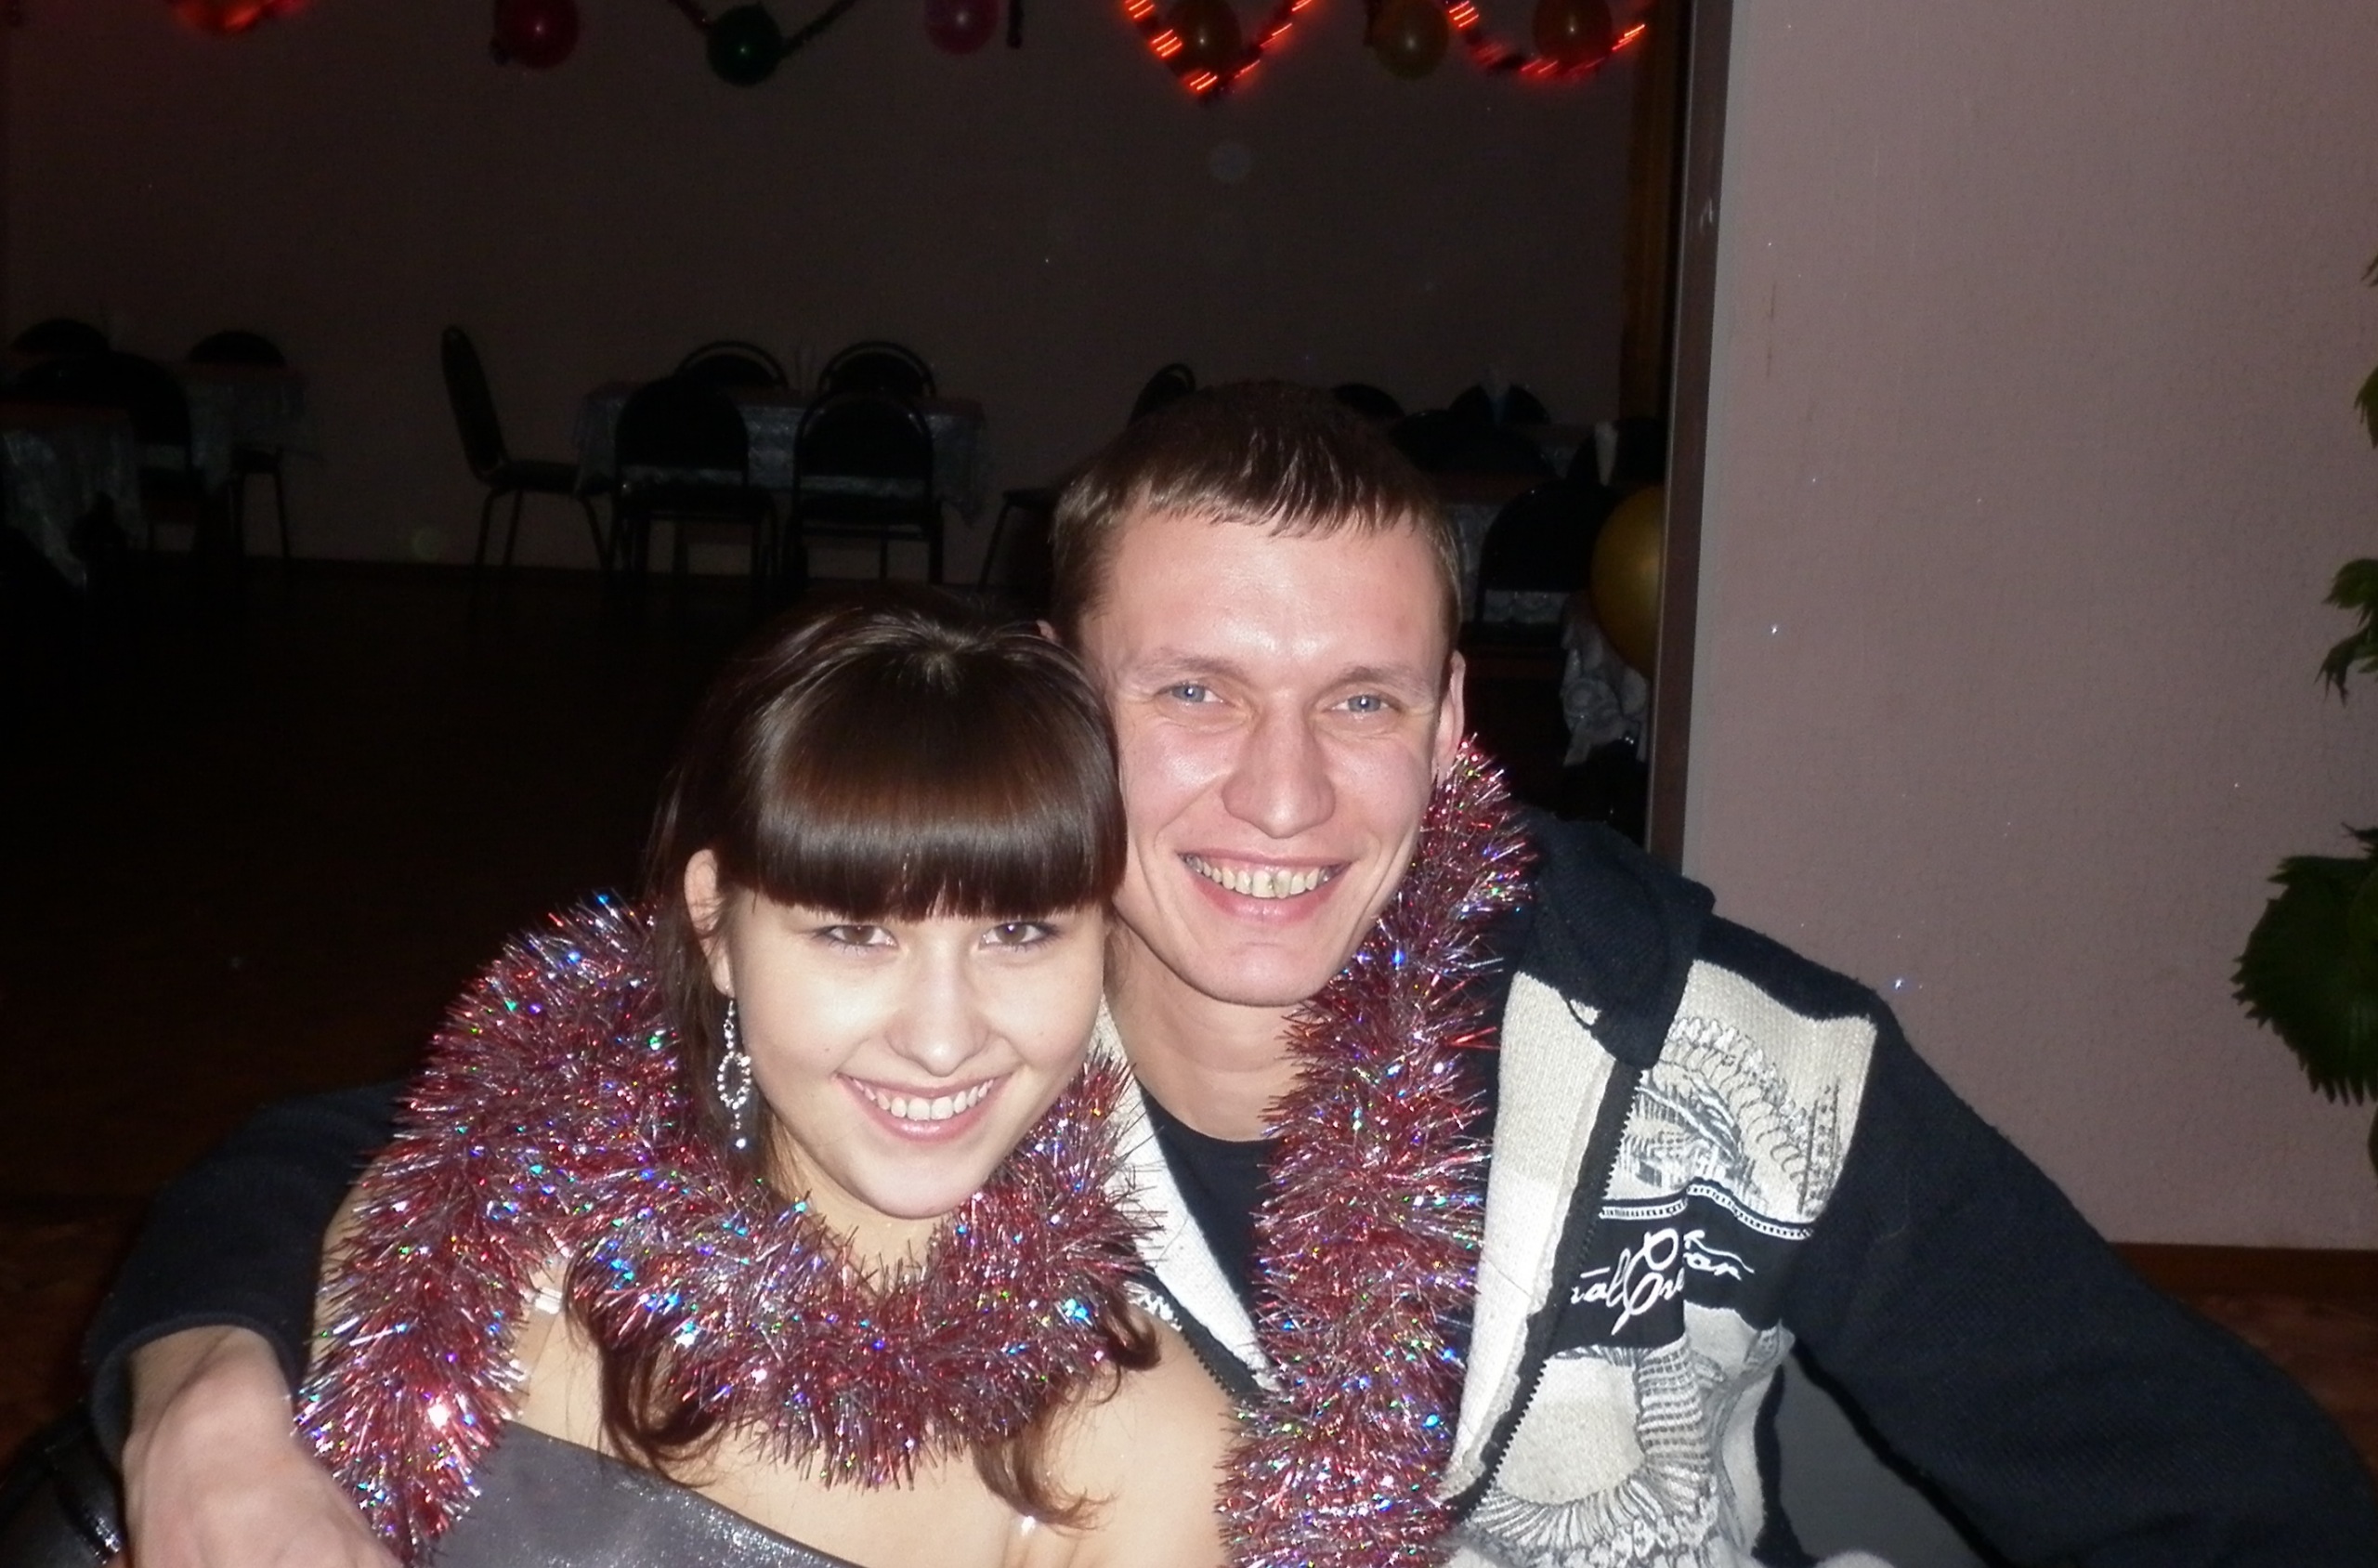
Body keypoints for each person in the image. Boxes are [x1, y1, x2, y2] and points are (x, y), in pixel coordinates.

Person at [89, 385, 2378, 1567]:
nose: (1281, 795)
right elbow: (348, 1155)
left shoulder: (1729, 1067)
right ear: (1053, 705)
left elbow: (2195, 1483)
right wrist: (202, 1401)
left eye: (1358, 700)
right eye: (1190, 692)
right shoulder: (961, 1016)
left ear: (1452, 725)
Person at [249, 599, 1229, 1568]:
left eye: (1018, 931)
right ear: (715, 922)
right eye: (853, 932)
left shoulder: (1144, 1455)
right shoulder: (466, 1261)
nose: (942, 1040)